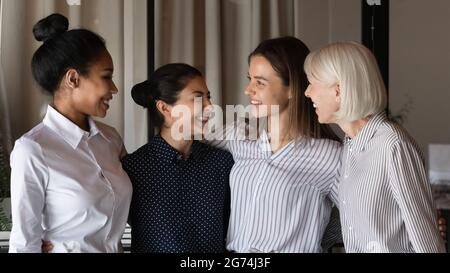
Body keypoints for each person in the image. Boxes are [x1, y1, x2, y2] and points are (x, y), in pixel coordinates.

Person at [304, 41, 446, 252]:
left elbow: (426, 239)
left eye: (312, 83)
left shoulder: (392, 145)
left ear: (338, 90)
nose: (307, 92)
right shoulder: (350, 145)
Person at [206, 36, 343, 253]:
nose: (248, 90)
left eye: (260, 82)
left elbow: (359, 215)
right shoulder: (238, 135)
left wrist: (320, 239)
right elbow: (183, 141)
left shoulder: (329, 155)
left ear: (293, 89)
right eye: (249, 78)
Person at [9, 13, 132, 253]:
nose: (114, 88)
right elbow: (24, 243)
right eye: (106, 76)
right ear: (73, 78)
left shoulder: (111, 139)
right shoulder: (33, 149)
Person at [121, 63, 234, 253]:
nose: (210, 107)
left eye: (208, 97)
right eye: (198, 98)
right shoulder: (132, 169)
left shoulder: (222, 163)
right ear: (165, 108)